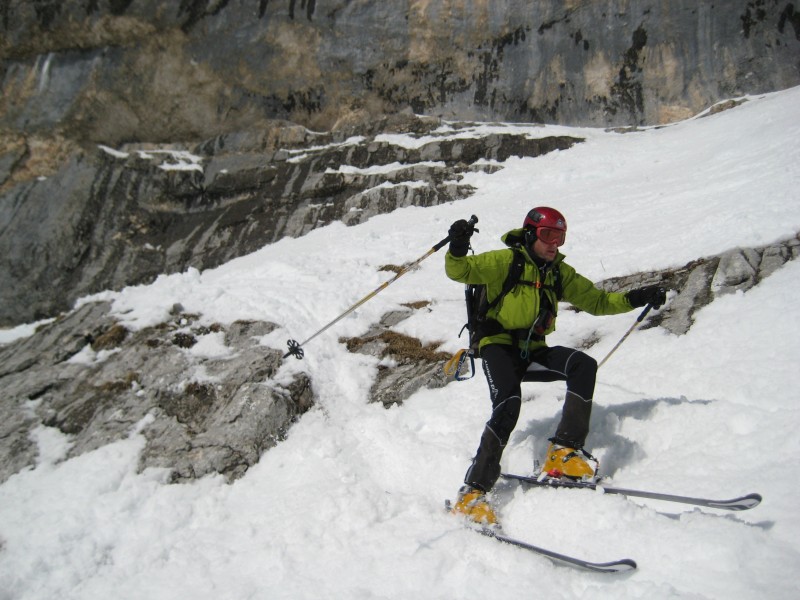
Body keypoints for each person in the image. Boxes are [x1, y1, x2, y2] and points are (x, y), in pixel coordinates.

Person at [445, 207, 665, 524]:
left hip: (532, 350)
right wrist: (457, 245)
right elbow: (459, 271)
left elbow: (599, 302)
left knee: (582, 364)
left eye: (559, 237)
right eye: (548, 235)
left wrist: (637, 297)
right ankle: (472, 492)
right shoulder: (503, 261)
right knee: (508, 403)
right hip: (498, 347)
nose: (554, 244)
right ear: (531, 234)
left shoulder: (558, 272)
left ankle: (563, 451)